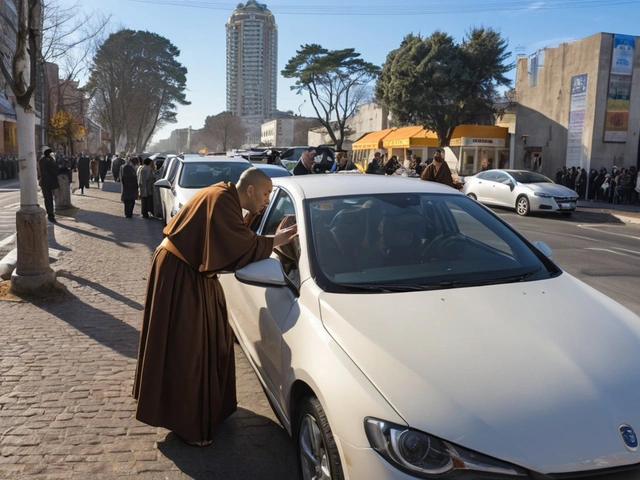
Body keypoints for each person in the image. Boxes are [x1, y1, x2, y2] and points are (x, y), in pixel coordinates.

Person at [133, 167, 297, 446]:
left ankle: (197, 412)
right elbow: (236, 245)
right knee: (188, 349)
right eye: (266, 194)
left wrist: (257, 224)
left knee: (205, 342)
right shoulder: (221, 200)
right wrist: (275, 241)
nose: (268, 200)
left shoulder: (226, 197)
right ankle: (189, 425)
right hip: (180, 273)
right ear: (250, 190)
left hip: (188, 272)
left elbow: (229, 238)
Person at [38, 147, 60, 222]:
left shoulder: (43, 160)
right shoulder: (49, 161)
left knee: (48, 198)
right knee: (50, 197)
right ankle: (51, 213)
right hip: (49, 181)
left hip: (46, 181)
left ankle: (50, 212)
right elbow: (54, 170)